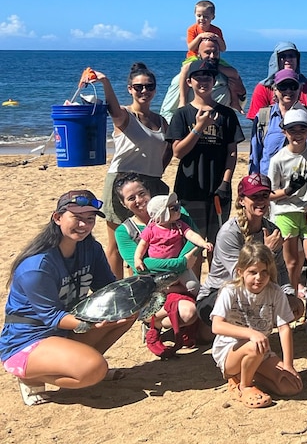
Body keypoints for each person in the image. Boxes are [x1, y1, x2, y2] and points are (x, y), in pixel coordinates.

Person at [1, 191, 137, 406]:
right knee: (94, 370)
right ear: (57, 218)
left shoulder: (91, 249)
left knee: (128, 312)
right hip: (29, 340)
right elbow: (52, 316)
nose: (84, 225)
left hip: (64, 331)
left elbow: (108, 289)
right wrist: (92, 322)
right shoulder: (37, 266)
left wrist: (143, 292)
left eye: (90, 219)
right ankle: (32, 375)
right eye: (77, 217)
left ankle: (77, 365)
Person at [90, 63, 171, 276]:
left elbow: (169, 148)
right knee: (117, 242)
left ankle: (145, 283)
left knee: (152, 237)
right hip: (122, 182)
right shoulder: (126, 115)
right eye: (138, 87)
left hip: (152, 183)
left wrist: (158, 169)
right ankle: (114, 288)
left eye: (149, 86)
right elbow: (114, 111)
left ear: (155, 89)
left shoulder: (161, 121)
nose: (144, 91)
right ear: (130, 89)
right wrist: (105, 82)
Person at [113, 174, 203, 358]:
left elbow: (193, 239)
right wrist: (182, 263)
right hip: (153, 288)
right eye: (131, 198)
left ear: (149, 192)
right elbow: (143, 266)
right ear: (123, 204)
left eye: (141, 193)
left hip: (181, 282)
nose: (139, 201)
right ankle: (150, 323)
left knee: (207, 327)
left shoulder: (176, 211)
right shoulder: (125, 231)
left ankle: (170, 321)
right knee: (188, 313)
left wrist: (177, 268)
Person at [197, 173, 299, 329]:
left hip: (253, 293)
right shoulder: (229, 233)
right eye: (254, 196)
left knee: (295, 306)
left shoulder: (272, 229)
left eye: (264, 195)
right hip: (218, 295)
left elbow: (281, 271)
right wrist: (268, 251)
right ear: (241, 200)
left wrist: (290, 295)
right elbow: (241, 278)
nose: (260, 201)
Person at [210, 242, 303, 408]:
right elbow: (217, 326)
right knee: (254, 346)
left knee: (292, 386)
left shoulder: (275, 292)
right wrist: (251, 333)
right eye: (253, 272)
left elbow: (284, 327)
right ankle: (243, 386)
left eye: (264, 272)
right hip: (231, 350)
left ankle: (249, 375)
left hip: (261, 349)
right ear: (241, 272)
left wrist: (288, 365)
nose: (259, 278)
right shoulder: (230, 291)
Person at [166, 59, 245, 241]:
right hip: (190, 187)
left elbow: (232, 152)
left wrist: (226, 182)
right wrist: (198, 127)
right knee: (193, 242)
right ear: (189, 82)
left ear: (214, 81)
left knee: (218, 240)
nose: (203, 81)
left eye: (208, 77)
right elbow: (178, 152)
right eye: (198, 77)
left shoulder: (226, 114)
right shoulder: (182, 114)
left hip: (218, 186)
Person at [268, 107, 307, 296]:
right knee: (292, 263)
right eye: (292, 130)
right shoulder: (278, 159)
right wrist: (287, 191)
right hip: (285, 213)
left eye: (302, 129)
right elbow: (269, 194)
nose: (297, 134)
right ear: (284, 132)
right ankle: (291, 300)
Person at [133, 192, 212, 294]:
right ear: (162, 214)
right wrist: (137, 259)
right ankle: (165, 291)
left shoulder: (179, 225)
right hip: (158, 270)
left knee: (194, 286)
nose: (179, 209)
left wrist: (202, 243)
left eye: (178, 205)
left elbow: (191, 235)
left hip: (179, 268)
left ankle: (172, 292)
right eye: (174, 208)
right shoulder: (151, 230)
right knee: (149, 288)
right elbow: (142, 245)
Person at [159, 34, 243, 124]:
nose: (212, 56)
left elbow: (239, 103)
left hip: (219, 130)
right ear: (199, 54)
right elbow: (167, 112)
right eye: (207, 52)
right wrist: (177, 131)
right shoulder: (181, 80)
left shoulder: (226, 76)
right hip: (192, 130)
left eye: (215, 52)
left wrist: (241, 92)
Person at [246, 42, 307, 121]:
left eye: (292, 55)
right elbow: (257, 121)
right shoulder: (262, 88)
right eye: (283, 56)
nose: (288, 59)